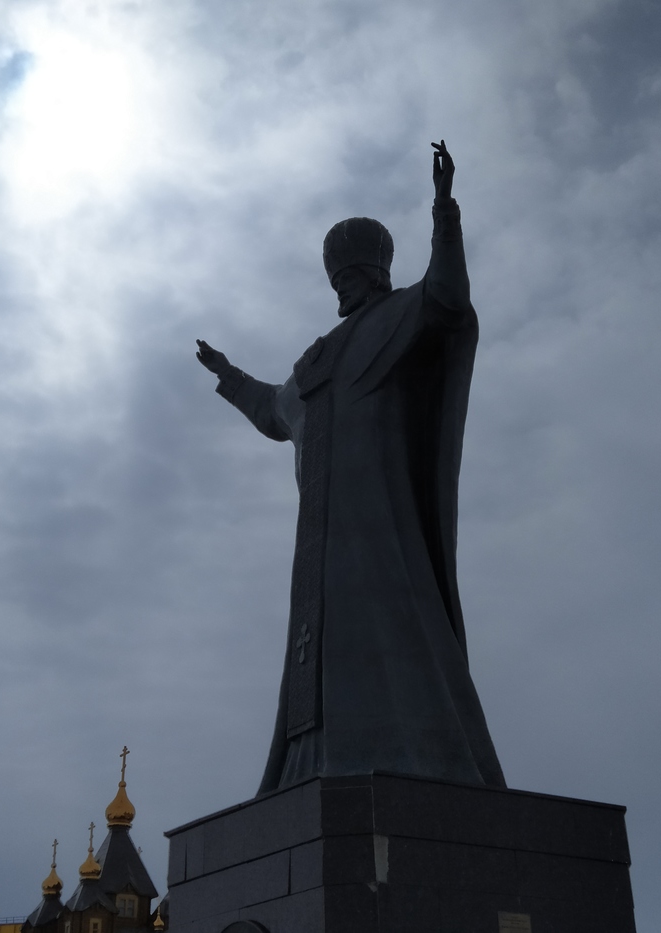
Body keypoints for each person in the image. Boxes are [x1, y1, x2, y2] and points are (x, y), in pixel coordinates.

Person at [197, 141, 506, 793]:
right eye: (335, 279)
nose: (340, 287)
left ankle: (420, 753)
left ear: (375, 274)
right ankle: (316, 761)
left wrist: (445, 215)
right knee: (323, 644)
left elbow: (448, 299)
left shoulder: (399, 316)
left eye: (349, 276)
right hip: (323, 542)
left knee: (397, 627)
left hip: (381, 523)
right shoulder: (317, 359)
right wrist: (229, 376)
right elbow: (276, 411)